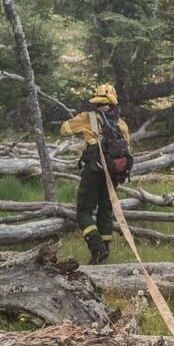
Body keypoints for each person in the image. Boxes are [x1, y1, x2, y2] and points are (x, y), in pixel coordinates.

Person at [60, 83, 133, 264]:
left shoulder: (88, 117)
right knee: (106, 212)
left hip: (93, 170)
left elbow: (64, 130)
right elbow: (128, 149)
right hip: (113, 174)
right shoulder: (121, 123)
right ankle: (103, 253)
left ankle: (97, 248)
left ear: (96, 100)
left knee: (84, 212)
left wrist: (80, 124)